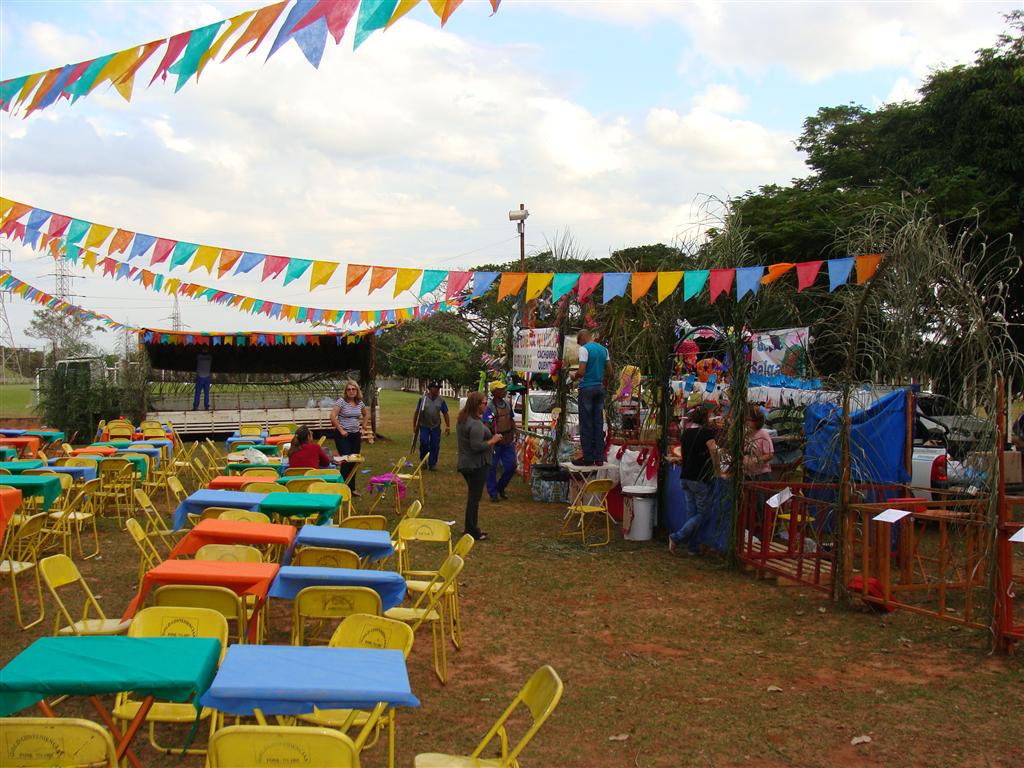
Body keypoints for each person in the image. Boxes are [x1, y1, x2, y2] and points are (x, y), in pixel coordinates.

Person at [669, 405, 720, 555]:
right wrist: (717, 469)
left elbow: (684, 455)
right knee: (703, 514)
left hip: (685, 476)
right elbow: (714, 451)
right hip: (699, 478)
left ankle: (692, 547)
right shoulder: (706, 433)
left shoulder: (686, 434)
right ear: (705, 419)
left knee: (692, 515)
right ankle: (676, 537)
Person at [457, 391, 503, 541]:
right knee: (474, 498)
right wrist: (493, 440)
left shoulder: (464, 419)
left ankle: (470, 528)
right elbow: (476, 446)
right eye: (484, 402)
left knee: (473, 497)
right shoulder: (475, 424)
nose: (486, 405)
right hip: (476, 464)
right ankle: (472, 531)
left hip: (465, 463)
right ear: (477, 405)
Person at [573, 329, 610, 465]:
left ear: (583, 337)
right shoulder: (603, 350)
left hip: (587, 389)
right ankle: (599, 457)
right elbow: (610, 370)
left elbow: (581, 372)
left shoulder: (585, 349)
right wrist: (598, 376)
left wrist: (574, 376)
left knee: (586, 423)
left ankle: (588, 457)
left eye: (578, 341)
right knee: (598, 422)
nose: (579, 344)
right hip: (599, 388)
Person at [331, 380, 370, 492]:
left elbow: (366, 414)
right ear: (346, 391)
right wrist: (341, 429)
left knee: (354, 461)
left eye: (353, 389)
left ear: (357, 391)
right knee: (346, 460)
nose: (351, 391)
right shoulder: (341, 402)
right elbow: (333, 416)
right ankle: (342, 487)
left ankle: (351, 488)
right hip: (342, 435)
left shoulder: (360, 403)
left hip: (355, 435)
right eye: (349, 389)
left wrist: (363, 427)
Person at [484, 381, 517, 502]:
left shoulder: (508, 404)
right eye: (501, 389)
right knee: (491, 467)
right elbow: (487, 423)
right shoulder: (491, 408)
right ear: (494, 392)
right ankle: (493, 493)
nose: (504, 390)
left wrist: (514, 431)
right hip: (496, 442)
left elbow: (511, 419)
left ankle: (500, 487)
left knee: (511, 466)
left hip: (508, 440)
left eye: (504, 388)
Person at [414, 381, 450, 471]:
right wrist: (414, 425)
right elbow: (417, 413)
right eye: (435, 388)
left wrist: (448, 426)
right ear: (430, 389)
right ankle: (423, 461)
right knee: (424, 443)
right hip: (424, 425)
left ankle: (432, 464)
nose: (437, 390)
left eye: (438, 388)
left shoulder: (441, 400)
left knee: (434, 445)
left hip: (435, 426)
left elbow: (445, 413)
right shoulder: (422, 399)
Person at [742, 407, 775, 481]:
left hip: (761, 475)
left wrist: (755, 460)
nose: (746, 422)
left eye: (749, 420)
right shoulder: (744, 434)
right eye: (745, 420)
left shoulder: (763, 434)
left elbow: (770, 454)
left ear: (757, 421)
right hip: (747, 474)